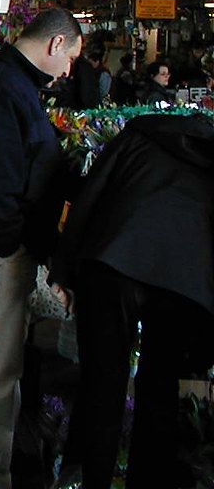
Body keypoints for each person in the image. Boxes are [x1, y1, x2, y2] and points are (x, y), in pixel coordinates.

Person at [0, 7, 82, 489]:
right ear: (55, 44)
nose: (69, 71)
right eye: (70, 58)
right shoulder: (2, 87)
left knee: (0, 365)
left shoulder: (9, 82)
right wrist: (12, 244)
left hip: (3, 245)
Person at [49, 113, 214, 489]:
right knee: (160, 385)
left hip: (112, 261)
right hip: (182, 280)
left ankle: (92, 477)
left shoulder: (141, 135)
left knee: (102, 380)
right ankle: (147, 478)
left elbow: (92, 195)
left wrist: (65, 269)